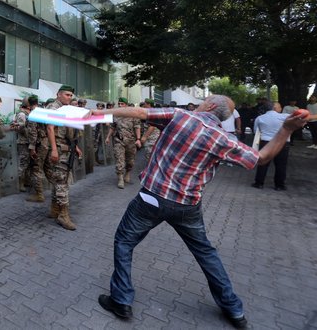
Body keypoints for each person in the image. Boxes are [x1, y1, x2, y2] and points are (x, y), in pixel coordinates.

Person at [91, 95, 307, 329]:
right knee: (206, 253)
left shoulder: (180, 116)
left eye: (205, 100)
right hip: (187, 205)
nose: (202, 102)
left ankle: (121, 300)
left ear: (211, 106)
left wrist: (98, 113)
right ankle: (233, 309)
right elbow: (261, 158)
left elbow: (140, 113)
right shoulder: (223, 138)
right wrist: (286, 129)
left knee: (124, 242)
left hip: (151, 198)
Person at [45, 85, 82, 230]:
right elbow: (50, 128)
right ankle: (63, 215)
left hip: (67, 148)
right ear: (58, 94)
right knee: (62, 181)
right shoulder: (54, 108)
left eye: (71, 95)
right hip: (59, 150)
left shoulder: (65, 108)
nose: (70, 97)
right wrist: (54, 149)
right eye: (67, 94)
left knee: (60, 179)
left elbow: (68, 131)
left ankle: (54, 210)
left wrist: (75, 147)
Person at [252, 102, 289, 190]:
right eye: (280, 107)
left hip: (265, 142)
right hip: (282, 143)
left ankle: (259, 183)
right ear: (275, 108)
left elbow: (256, 130)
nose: (281, 109)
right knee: (281, 164)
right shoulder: (285, 117)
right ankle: (279, 185)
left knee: (263, 163)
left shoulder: (260, 118)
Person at [105, 97, 141, 189]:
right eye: (119, 104)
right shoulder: (116, 115)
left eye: (122, 104)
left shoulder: (133, 115)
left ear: (126, 105)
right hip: (119, 140)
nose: (120, 105)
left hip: (131, 141)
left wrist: (138, 139)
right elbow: (112, 127)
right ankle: (120, 178)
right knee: (119, 159)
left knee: (130, 161)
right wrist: (108, 137)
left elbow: (137, 127)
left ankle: (128, 172)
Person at [25, 95, 48, 203]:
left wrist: (32, 147)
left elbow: (33, 132)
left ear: (29, 104)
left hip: (39, 144)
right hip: (46, 142)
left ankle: (39, 194)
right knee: (47, 168)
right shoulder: (43, 112)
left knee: (36, 168)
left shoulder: (33, 114)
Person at [12, 98, 31, 192]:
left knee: (26, 162)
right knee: (23, 163)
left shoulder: (25, 113)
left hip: (26, 142)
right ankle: (20, 183)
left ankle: (25, 181)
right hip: (23, 142)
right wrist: (28, 134)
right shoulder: (22, 114)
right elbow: (20, 128)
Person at [139, 99, 160, 163]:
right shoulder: (150, 112)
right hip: (151, 137)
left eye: (145, 104)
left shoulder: (152, 113)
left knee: (150, 155)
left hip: (152, 138)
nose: (144, 105)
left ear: (148, 104)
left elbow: (152, 126)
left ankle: (152, 170)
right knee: (150, 155)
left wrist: (145, 136)